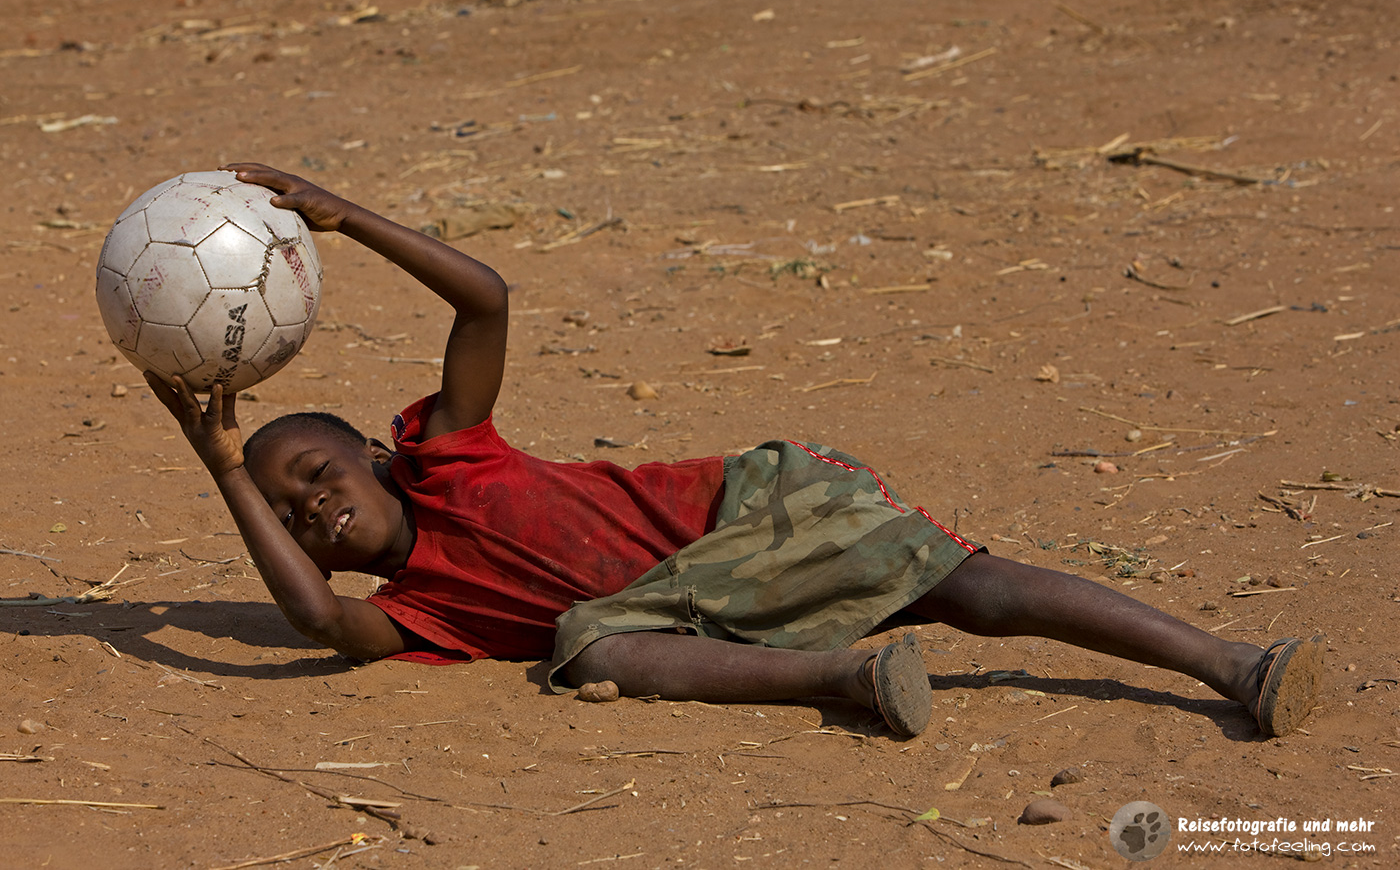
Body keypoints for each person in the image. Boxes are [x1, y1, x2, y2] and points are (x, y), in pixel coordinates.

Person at [148, 163, 1324, 739]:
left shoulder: (449, 449)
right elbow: (309, 623)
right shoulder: (419, 613)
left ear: (371, 449)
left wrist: (348, 218)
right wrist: (222, 466)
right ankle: (849, 678)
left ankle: (1229, 664)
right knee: (590, 648)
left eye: (314, 478)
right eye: (293, 518)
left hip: (749, 513)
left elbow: (488, 300)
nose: (313, 512)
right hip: (697, 616)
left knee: (975, 590)